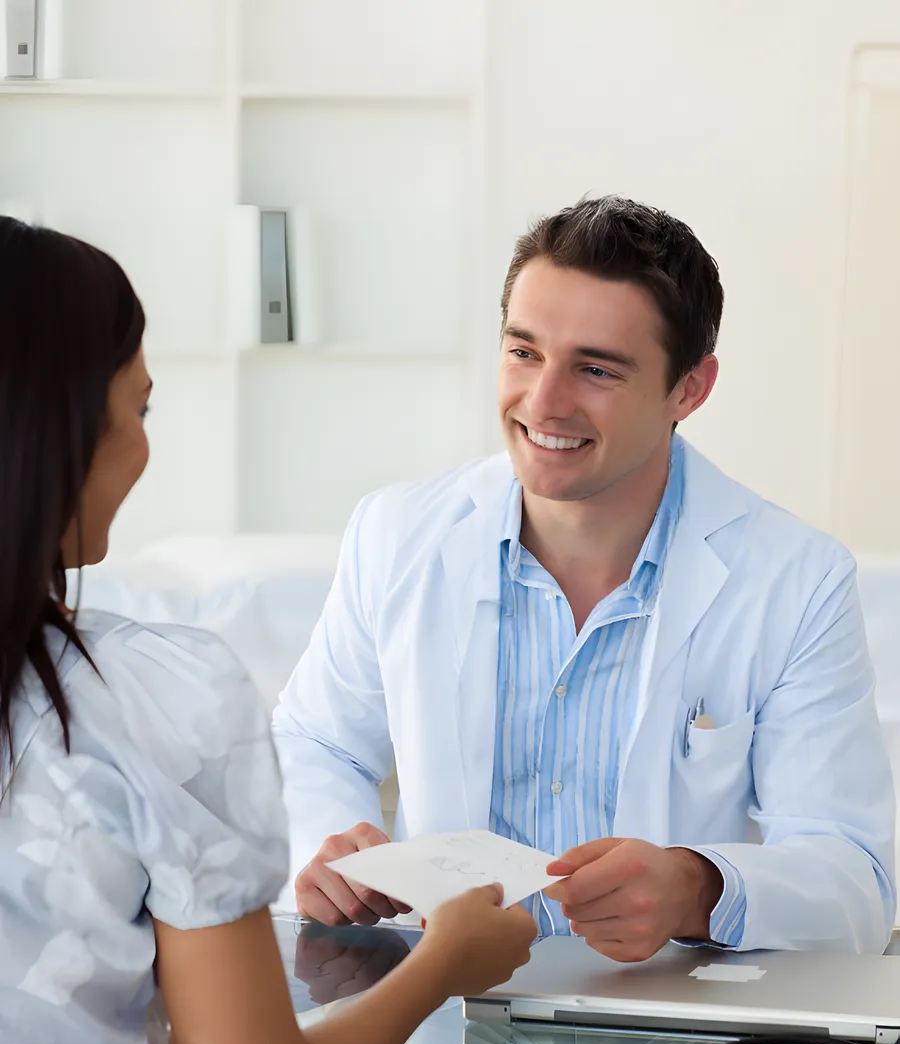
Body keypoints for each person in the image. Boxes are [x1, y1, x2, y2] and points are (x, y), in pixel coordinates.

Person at [0, 217, 536, 1044]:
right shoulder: (154, 702)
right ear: (54, 432)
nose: (143, 444)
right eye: (140, 408)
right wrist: (443, 962)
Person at [274, 195, 896, 959]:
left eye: (595, 368)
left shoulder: (797, 581)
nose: (544, 402)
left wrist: (697, 888)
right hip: (436, 1012)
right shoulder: (396, 534)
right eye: (523, 352)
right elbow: (316, 741)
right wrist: (331, 848)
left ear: (690, 390)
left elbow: (855, 882)